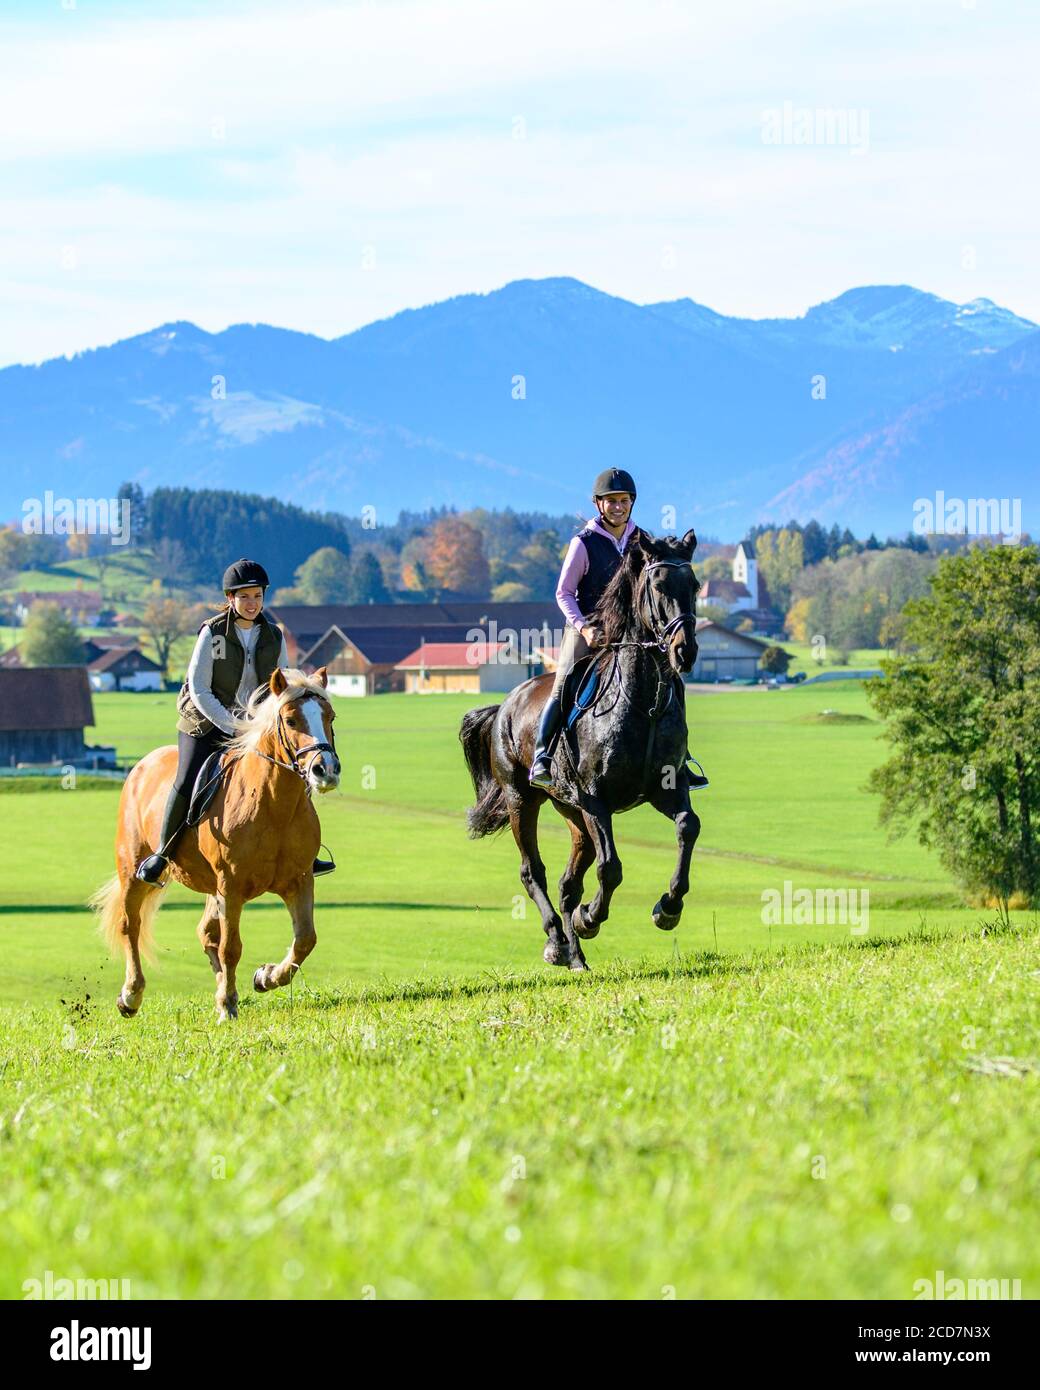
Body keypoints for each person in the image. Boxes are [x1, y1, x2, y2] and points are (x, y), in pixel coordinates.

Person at [134, 558, 336, 883]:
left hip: (255, 726)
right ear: (230, 599)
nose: (252, 603)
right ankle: (162, 852)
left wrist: (265, 723)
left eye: (257, 596)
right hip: (204, 721)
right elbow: (198, 688)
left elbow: (281, 688)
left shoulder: (274, 636)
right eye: (244, 597)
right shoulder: (212, 632)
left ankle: (304, 852)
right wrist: (230, 725)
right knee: (186, 779)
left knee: (296, 771)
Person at [529, 469, 708, 791]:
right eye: (611, 501)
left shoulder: (642, 542)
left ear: (632, 503)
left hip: (631, 633)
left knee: (671, 683)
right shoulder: (583, 544)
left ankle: (680, 760)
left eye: (624, 501)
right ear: (599, 504)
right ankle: (542, 757)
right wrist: (583, 628)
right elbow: (563, 593)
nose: (618, 507)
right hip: (589, 628)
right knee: (564, 682)